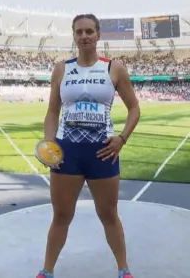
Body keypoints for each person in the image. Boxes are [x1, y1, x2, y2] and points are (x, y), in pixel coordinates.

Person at [36, 14, 140, 278]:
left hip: (103, 152)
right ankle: (46, 271)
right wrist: (49, 144)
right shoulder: (61, 68)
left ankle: (124, 269)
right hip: (67, 153)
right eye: (79, 32)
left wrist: (122, 138)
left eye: (89, 31)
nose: (84, 36)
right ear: (74, 35)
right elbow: (51, 112)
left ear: (98, 35)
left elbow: (134, 108)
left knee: (108, 214)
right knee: (61, 216)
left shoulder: (113, 68)